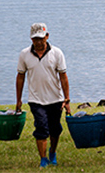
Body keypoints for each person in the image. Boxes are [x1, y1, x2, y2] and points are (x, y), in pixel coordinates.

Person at [16, 23, 71, 168]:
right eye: (35, 39)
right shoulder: (24, 54)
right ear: (31, 39)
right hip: (36, 99)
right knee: (41, 128)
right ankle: (43, 158)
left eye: (41, 38)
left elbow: (63, 77)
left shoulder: (57, 53)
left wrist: (67, 99)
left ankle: (53, 152)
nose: (38, 42)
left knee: (55, 129)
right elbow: (20, 76)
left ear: (47, 36)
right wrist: (18, 100)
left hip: (55, 98)